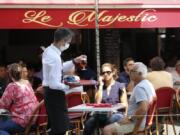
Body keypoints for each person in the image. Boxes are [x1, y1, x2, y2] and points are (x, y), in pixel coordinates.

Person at [42, 28, 87, 135]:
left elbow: (60, 68)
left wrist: (73, 61)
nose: (69, 44)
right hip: (54, 94)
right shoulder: (54, 57)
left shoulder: (49, 50)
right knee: (59, 129)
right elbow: (54, 84)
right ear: (62, 41)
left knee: (56, 127)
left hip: (49, 93)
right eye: (68, 42)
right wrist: (69, 87)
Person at [103, 62, 156, 135]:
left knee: (106, 130)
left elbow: (143, 109)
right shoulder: (148, 84)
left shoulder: (139, 88)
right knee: (115, 120)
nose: (129, 73)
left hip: (136, 123)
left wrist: (130, 120)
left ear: (139, 73)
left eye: (132, 71)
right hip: (143, 122)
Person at [83, 63, 128, 135]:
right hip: (103, 114)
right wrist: (100, 85)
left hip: (117, 113)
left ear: (113, 72)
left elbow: (124, 104)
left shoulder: (120, 85)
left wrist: (124, 115)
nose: (106, 74)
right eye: (103, 73)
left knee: (110, 120)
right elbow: (97, 102)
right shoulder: (99, 86)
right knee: (89, 123)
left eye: (108, 72)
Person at [0, 63, 38, 135]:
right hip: (33, 121)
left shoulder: (12, 86)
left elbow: (3, 105)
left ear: (10, 75)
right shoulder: (27, 83)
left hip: (22, 122)